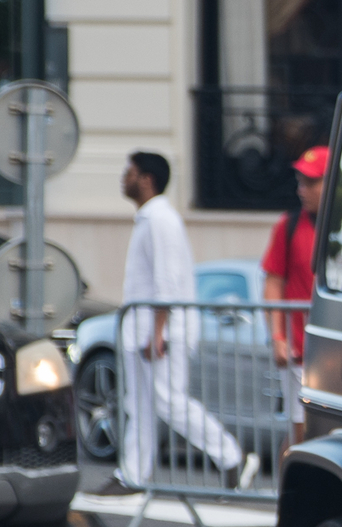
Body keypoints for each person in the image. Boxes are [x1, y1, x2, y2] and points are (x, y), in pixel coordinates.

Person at [112, 152, 256, 496]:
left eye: (129, 172)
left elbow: (167, 280)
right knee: (142, 405)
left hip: (161, 332)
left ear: (147, 179)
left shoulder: (161, 220)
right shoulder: (151, 219)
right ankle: (132, 475)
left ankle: (232, 456)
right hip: (146, 329)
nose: (123, 178)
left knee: (168, 402)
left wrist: (158, 332)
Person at [262, 145, 326, 447]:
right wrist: (277, 336)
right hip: (300, 354)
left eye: (311, 182)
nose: (302, 189)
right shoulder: (287, 226)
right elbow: (273, 282)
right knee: (301, 434)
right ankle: (286, 494)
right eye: (300, 181)